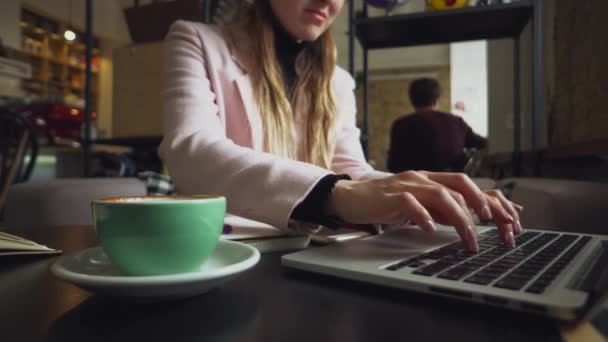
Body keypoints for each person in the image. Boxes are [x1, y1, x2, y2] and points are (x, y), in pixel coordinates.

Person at [159, 0, 522, 253]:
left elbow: (351, 170)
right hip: (225, 255)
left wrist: (424, 192)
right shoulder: (197, 41)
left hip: (310, 257)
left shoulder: (339, 82)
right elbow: (192, 151)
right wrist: (331, 194)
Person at [387, 78, 488, 173]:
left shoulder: (400, 125)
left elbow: (393, 165)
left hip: (417, 185)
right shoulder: (456, 122)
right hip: (452, 185)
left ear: (412, 100)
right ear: (436, 99)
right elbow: (482, 143)